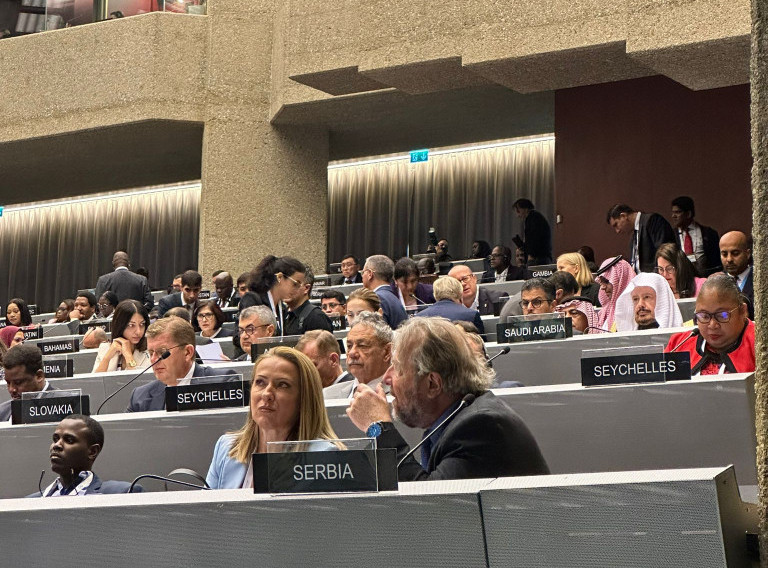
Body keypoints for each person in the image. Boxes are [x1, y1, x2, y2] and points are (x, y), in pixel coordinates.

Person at [346, 317, 549, 480]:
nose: (387, 378)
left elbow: (431, 504)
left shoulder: (480, 426)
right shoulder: (459, 416)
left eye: (398, 369)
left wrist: (378, 428)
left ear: (433, 384)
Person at [205, 347, 338, 489]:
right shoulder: (226, 447)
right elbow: (207, 503)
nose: (266, 394)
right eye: (260, 382)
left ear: (304, 399)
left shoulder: (323, 457)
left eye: (282, 385)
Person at [127, 317, 237, 412]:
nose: (153, 359)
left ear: (188, 352)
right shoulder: (140, 397)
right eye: (151, 353)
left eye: (162, 352)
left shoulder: (223, 384)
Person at [28, 415, 141, 497]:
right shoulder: (30, 502)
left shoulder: (122, 494)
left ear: (92, 451)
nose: (57, 445)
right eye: (55, 439)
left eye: (69, 440)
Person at [665, 275, 754, 375]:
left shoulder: (759, 344)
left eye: (722, 315)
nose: (712, 325)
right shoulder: (678, 344)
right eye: (704, 316)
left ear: (742, 311)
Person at [324, 312, 392, 399]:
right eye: (349, 346)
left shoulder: (401, 398)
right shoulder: (326, 396)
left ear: (386, 352)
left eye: (362, 346)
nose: (352, 353)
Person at [238, 255, 307, 335]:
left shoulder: (283, 308)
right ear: (280, 277)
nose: (297, 289)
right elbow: (240, 335)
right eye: (295, 284)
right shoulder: (252, 300)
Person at [606, 203, 676, 273]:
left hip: (655, 277)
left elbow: (665, 253)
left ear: (623, 216)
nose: (617, 231)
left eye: (616, 225)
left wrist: (652, 277)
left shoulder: (652, 220)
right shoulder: (633, 237)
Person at [0, 344, 55, 422]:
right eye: (8, 383)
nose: (11, 389)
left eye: (18, 383)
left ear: (39, 376)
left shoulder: (67, 407)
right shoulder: (2, 412)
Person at [92, 300, 151, 372]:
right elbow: (96, 378)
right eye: (131, 325)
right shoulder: (105, 348)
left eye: (142, 324)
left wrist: (128, 356)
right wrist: (107, 358)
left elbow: (139, 378)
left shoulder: (151, 351)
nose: (138, 331)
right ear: (120, 325)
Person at [613, 272, 683, 331]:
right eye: (635, 299)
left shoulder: (683, 338)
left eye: (647, 297)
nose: (640, 304)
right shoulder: (621, 339)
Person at [670, 196, 721, 276]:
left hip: (706, 278)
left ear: (688, 214)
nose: (673, 216)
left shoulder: (709, 233)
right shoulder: (671, 235)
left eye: (678, 212)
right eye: (673, 212)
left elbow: (716, 262)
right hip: (681, 278)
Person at [414, 277, 484, 333]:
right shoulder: (471, 315)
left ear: (435, 295)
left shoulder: (418, 318)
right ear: (460, 294)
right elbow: (480, 343)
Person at [283, 267, 334, 336]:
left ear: (306, 288)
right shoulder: (283, 314)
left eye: (293, 284)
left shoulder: (316, 317)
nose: (286, 288)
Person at [362, 255, 408, 329]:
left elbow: (377, 332)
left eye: (363, 272)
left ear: (370, 274)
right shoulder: (391, 296)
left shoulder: (377, 298)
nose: (362, 276)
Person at [595, 257, 636, 331]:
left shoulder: (636, 311)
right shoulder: (605, 313)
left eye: (606, 282)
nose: (602, 287)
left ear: (621, 281)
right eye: (601, 282)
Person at [719, 231, 754, 318]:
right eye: (724, 254)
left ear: (747, 254)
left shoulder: (760, 279)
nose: (729, 259)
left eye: (735, 253)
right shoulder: (716, 281)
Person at [513, 198, 552, 265]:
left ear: (525, 209)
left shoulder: (533, 219)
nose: (518, 215)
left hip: (538, 257)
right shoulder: (536, 217)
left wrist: (531, 254)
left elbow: (534, 239)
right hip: (542, 256)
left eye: (518, 211)